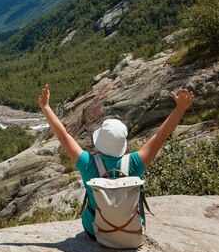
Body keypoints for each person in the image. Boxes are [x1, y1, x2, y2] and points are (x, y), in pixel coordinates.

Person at [38, 84, 195, 241]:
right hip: (130, 231)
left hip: (96, 231)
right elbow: (161, 136)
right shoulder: (135, 162)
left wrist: (46, 107)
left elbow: (63, 136)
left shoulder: (87, 162)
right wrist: (180, 108)